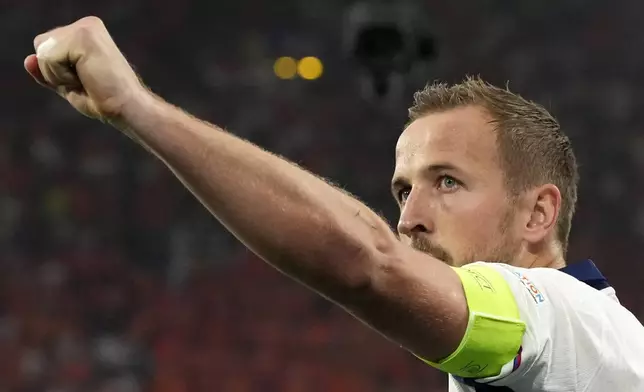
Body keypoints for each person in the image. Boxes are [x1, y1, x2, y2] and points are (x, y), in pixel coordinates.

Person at [24, 17, 644, 392]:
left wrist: (138, 108)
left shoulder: (566, 322)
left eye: (448, 182)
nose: (409, 217)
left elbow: (368, 263)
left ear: (538, 214)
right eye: (403, 190)